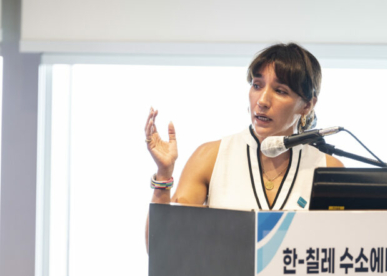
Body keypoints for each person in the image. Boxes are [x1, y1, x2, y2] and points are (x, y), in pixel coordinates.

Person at [145, 43, 343, 249]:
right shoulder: (210, 157)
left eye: (280, 90)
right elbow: (163, 249)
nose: (262, 101)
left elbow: (343, 248)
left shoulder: (328, 169)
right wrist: (163, 175)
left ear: (307, 105)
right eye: (257, 85)